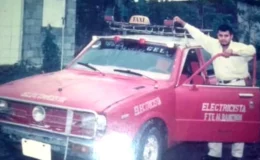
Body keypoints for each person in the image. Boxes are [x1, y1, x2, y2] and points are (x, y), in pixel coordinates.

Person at [173, 16, 256, 160]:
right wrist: (183, 23)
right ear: (217, 36)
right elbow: (198, 35)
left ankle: (237, 155)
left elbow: (252, 50)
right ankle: (214, 153)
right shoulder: (214, 45)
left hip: (237, 86)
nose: (223, 38)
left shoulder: (239, 46)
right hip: (220, 86)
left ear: (231, 36)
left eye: (226, 36)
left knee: (238, 120)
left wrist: (234, 53)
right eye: (220, 35)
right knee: (216, 118)